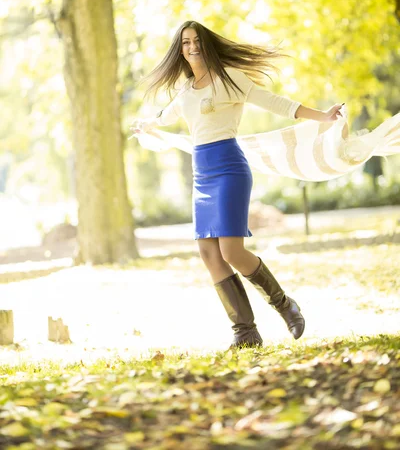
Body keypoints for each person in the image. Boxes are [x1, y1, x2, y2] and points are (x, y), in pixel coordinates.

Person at [129, 21, 344, 349]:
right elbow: (166, 116)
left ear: (208, 45)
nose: (192, 46)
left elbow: (278, 104)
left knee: (231, 251)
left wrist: (323, 116)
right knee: (207, 252)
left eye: (197, 41)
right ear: (180, 50)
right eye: (185, 42)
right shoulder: (186, 90)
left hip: (229, 169)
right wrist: (147, 125)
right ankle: (245, 331)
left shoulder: (230, 79)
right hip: (202, 174)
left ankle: (286, 305)